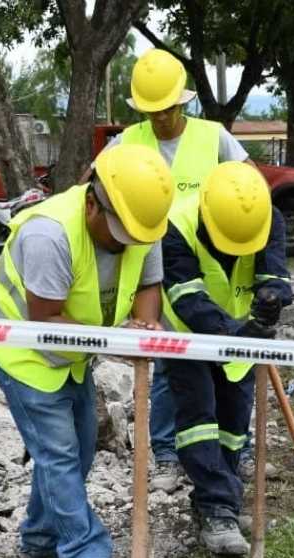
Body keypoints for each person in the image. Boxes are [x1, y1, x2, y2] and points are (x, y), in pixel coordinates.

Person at [0, 144, 174, 558]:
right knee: (58, 451)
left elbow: (148, 283)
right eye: (118, 232)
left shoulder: (142, 220)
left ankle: (39, 544)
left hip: (77, 347)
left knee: (80, 447)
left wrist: (144, 324)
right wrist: (118, 341)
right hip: (20, 342)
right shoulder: (50, 235)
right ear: (90, 202)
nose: (126, 242)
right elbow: (44, 320)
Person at [100, 47, 257, 493]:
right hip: (153, 272)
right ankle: (167, 453)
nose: (160, 119)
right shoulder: (128, 142)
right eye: (151, 111)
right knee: (170, 366)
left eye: (166, 109)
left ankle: (235, 451)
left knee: (231, 365)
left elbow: (251, 191)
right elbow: (93, 192)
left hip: (210, 272)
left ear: (182, 101)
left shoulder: (215, 138)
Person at [159, 161, 291, 555]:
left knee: (234, 422)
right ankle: (217, 507)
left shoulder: (266, 217)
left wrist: (271, 300)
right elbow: (188, 298)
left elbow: (275, 274)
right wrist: (239, 333)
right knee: (199, 419)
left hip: (241, 338)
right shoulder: (178, 225)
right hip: (188, 338)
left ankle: (221, 501)